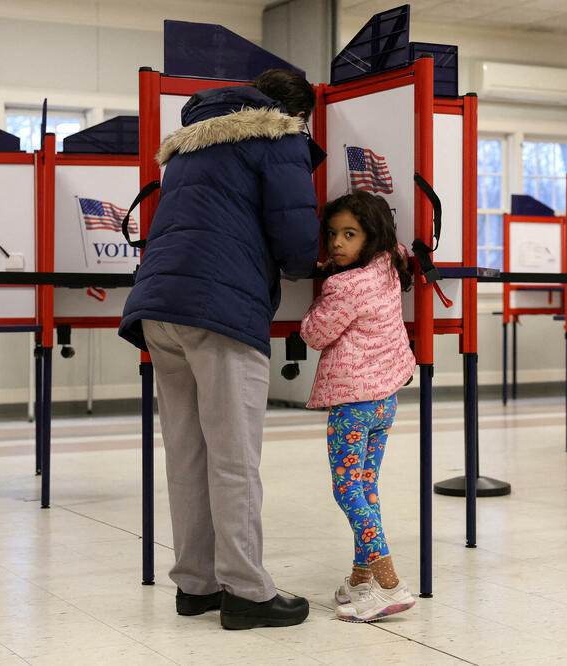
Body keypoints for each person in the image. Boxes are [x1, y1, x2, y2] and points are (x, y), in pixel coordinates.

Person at [119, 69, 322, 630]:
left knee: (187, 454)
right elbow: (297, 238)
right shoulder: (279, 137)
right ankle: (248, 592)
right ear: (295, 112)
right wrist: (322, 264)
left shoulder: (192, 143)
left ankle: (197, 584)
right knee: (234, 458)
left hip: (159, 306)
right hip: (219, 310)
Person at [299, 190, 417, 622]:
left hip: (351, 404)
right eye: (332, 234)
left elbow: (314, 334)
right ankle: (360, 578)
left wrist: (320, 292)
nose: (336, 244)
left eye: (349, 235)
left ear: (370, 238)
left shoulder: (343, 285)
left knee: (346, 489)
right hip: (385, 401)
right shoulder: (391, 262)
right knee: (365, 487)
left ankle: (389, 583)